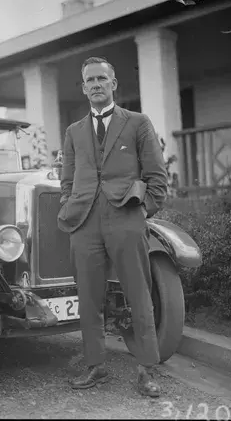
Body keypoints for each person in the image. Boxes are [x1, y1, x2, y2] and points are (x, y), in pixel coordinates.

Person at [57, 57, 168, 397]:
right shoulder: (74, 131)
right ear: (83, 87)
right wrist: (69, 206)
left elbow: (157, 180)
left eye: (102, 78)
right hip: (85, 223)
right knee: (89, 297)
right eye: (89, 80)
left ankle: (147, 371)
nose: (96, 84)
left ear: (114, 83)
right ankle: (96, 366)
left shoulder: (137, 123)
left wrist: (140, 213)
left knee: (138, 293)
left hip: (126, 219)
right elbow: (67, 180)